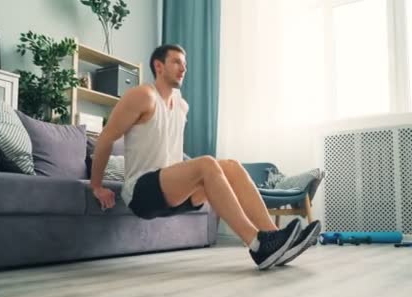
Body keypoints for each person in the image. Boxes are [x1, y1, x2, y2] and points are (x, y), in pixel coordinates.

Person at [90, 44, 320, 270]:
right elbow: (106, 138)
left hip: (171, 193)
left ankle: (274, 237)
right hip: (141, 193)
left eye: (185, 64)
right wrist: (97, 186)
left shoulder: (182, 106)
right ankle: (258, 244)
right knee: (206, 164)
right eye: (176, 62)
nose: (183, 68)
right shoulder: (143, 95)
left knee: (231, 166)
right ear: (158, 66)